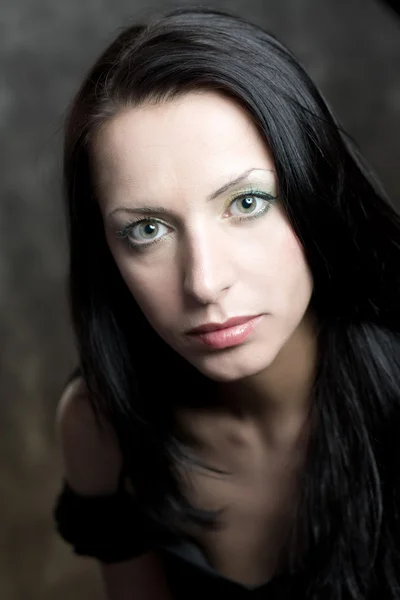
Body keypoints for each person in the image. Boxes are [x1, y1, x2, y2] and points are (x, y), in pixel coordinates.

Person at [53, 6, 400, 599]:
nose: (205, 284)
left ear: (315, 190)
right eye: (147, 231)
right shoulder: (100, 425)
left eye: (246, 204)